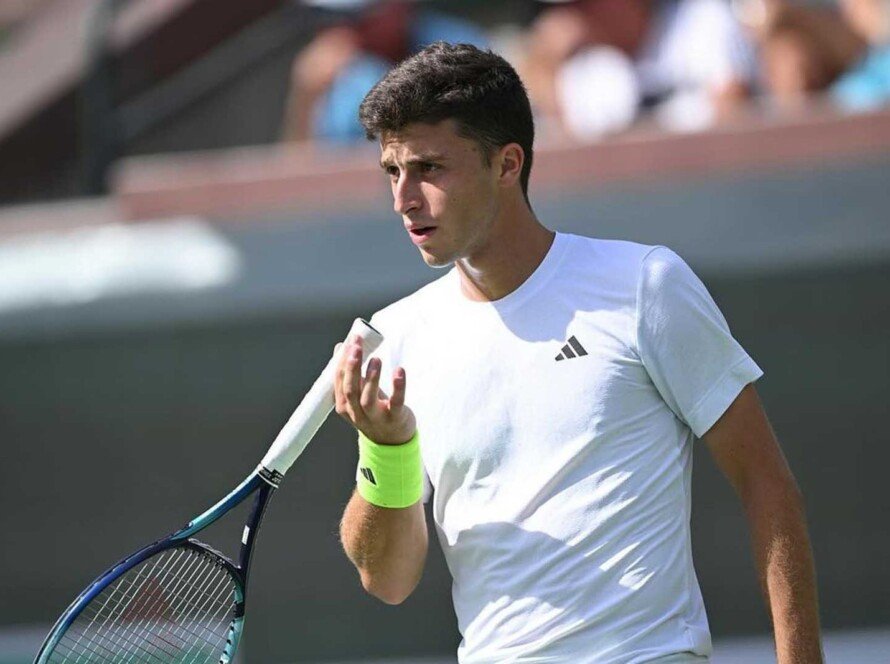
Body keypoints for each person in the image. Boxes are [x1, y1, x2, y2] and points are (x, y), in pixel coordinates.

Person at [333, 41, 822, 663]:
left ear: (507, 164)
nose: (403, 198)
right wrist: (389, 450)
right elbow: (388, 580)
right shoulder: (397, 336)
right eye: (392, 171)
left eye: (429, 167)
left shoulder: (643, 284)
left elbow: (767, 484)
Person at [521, 0, 756, 137]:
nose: (574, 17)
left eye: (584, 3)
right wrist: (544, 62)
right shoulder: (586, 66)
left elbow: (732, 113)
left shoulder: (702, 20)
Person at [281, 0, 487, 144]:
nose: (343, 29)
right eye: (328, 16)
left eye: (359, 16)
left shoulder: (462, 49)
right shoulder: (342, 81)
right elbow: (302, 175)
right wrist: (306, 98)